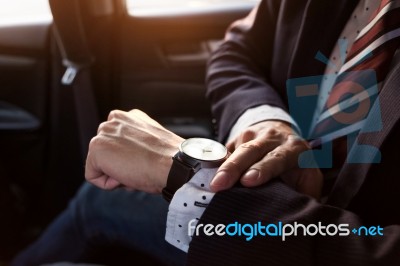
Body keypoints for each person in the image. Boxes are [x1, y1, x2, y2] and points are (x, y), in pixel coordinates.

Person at [13, 0, 400, 265]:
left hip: (314, 244)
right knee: (98, 199)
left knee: (100, 203)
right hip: (271, 202)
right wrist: (263, 119)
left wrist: (188, 176)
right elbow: (237, 51)